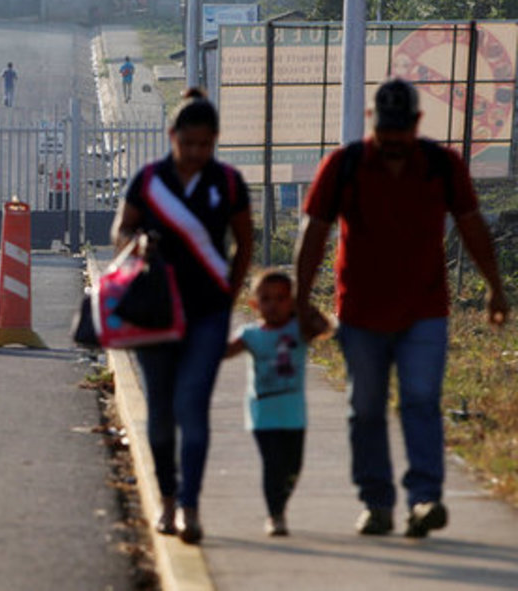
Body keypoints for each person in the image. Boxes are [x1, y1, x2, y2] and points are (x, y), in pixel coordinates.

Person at [295, 77, 509, 538]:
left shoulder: (441, 164)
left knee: (420, 401)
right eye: (386, 133)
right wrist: (299, 301)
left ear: (416, 123)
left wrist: (495, 286)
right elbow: (314, 235)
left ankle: (425, 497)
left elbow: (472, 227)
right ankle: (377, 503)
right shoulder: (345, 165)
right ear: (373, 122)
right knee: (366, 408)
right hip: (360, 312)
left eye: (401, 133)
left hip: (424, 310)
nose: (393, 143)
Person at [111, 88, 254, 544]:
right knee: (161, 410)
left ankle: (191, 506)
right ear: (172, 136)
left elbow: (244, 242)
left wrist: (230, 292)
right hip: (156, 313)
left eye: (204, 145)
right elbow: (120, 229)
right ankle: (167, 499)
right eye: (187, 143)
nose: (195, 153)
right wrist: (137, 244)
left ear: (214, 141)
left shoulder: (227, 182)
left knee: (193, 408)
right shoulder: (149, 181)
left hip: (208, 314)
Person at [225, 269, 331, 537]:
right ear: (254, 303)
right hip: (263, 415)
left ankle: (280, 504)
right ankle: (276, 515)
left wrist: (306, 308)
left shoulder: (298, 330)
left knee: (293, 468)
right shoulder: (250, 334)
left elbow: (325, 328)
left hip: (294, 415)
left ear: (292, 302)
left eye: (281, 298)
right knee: (273, 465)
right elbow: (224, 352)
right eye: (266, 298)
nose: (273, 305)